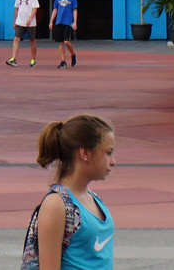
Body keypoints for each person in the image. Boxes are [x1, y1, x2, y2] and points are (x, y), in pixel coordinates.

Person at [22, 114, 116, 270]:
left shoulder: (94, 199)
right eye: (108, 152)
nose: (113, 161)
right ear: (85, 153)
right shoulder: (56, 205)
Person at [7, 0, 41, 67]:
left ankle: (33, 59)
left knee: (32, 40)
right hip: (20, 21)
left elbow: (35, 8)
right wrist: (14, 21)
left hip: (30, 23)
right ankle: (13, 58)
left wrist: (30, 18)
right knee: (16, 39)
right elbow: (16, 9)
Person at [50, 0, 80, 69]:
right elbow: (55, 9)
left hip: (68, 22)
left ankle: (73, 54)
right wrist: (51, 21)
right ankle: (63, 61)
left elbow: (74, 9)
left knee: (66, 41)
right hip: (59, 21)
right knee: (60, 42)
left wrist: (75, 22)